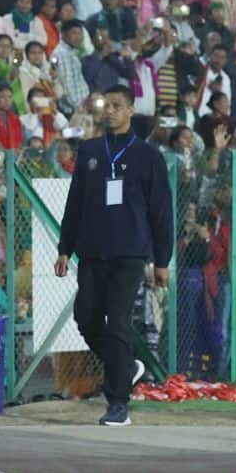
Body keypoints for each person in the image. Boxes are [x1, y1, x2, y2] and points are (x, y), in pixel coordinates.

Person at [56, 84, 173, 428]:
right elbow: (75, 204)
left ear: (131, 111)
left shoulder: (148, 156)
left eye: (117, 106)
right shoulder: (90, 151)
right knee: (85, 318)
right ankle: (127, 367)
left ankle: (118, 402)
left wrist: (162, 260)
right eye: (107, 105)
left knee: (119, 323)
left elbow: (161, 213)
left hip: (130, 255)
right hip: (92, 252)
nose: (110, 111)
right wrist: (65, 248)